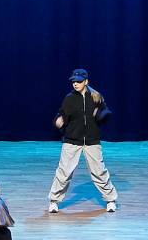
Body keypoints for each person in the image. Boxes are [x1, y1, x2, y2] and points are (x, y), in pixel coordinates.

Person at [48, 68, 118, 213]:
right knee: (64, 172)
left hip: (92, 140)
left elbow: (105, 113)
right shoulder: (69, 98)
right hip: (72, 140)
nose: (75, 84)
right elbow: (62, 115)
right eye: (73, 81)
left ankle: (110, 200)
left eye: (79, 81)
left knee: (99, 172)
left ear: (86, 81)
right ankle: (54, 201)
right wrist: (58, 121)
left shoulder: (96, 97)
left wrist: (99, 115)